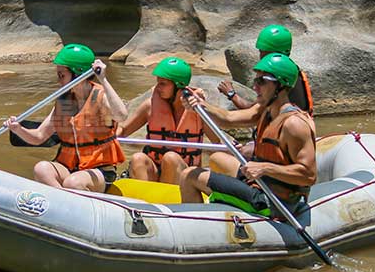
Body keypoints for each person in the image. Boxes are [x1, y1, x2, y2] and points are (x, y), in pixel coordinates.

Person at [179, 53, 317, 216]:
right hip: (259, 183)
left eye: (261, 81)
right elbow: (228, 119)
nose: (255, 87)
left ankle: (197, 231)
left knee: (189, 175)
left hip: (273, 200)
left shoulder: (294, 124)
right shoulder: (266, 110)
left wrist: (265, 168)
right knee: (218, 159)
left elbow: (309, 176)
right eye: (255, 81)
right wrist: (201, 105)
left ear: (280, 85)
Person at [5, 44, 127, 192]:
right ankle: (62, 203)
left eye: (62, 75)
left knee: (73, 183)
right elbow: (38, 137)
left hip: (99, 170)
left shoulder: (101, 97)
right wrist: (18, 129)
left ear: (78, 74)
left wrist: (104, 80)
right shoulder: (64, 101)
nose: (59, 80)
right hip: (69, 167)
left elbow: (121, 115)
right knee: (41, 169)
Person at [210, 24, 314, 173]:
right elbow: (255, 111)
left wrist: (232, 95)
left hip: (286, 143)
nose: (261, 58)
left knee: (234, 154)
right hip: (279, 139)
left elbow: (250, 114)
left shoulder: (281, 82)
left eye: (265, 53)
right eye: (261, 53)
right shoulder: (287, 76)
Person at [117, 57, 220, 184]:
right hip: (155, 168)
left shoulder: (197, 110)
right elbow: (124, 130)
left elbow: (217, 142)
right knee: (138, 158)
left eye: (163, 84)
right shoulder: (150, 106)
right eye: (158, 82)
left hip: (185, 174)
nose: (157, 87)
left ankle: (168, 199)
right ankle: (144, 199)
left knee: (170, 158)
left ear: (178, 86)